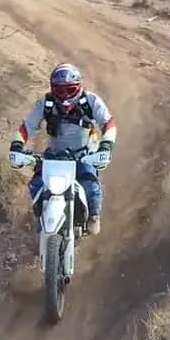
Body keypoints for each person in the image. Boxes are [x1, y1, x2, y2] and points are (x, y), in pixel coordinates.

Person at [8, 62, 115, 235]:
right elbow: (27, 126)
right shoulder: (46, 103)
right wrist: (17, 145)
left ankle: (94, 215)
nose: (65, 95)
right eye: (59, 90)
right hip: (54, 156)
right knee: (36, 183)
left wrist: (106, 145)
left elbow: (108, 123)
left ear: (78, 87)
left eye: (69, 90)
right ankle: (42, 214)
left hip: (83, 154)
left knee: (90, 185)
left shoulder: (90, 101)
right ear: (52, 88)